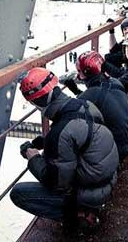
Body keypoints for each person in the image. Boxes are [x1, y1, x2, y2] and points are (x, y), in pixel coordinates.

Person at [10, 68, 119, 230]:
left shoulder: (60, 133)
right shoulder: (85, 104)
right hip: (108, 180)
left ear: (36, 103)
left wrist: (33, 158)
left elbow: (56, 183)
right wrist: (46, 142)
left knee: (18, 193)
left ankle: (78, 218)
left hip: (91, 194)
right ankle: (86, 208)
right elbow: (81, 137)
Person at [61, 51, 128, 161]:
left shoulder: (90, 95)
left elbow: (78, 106)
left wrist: (75, 91)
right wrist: (78, 91)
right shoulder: (115, 82)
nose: (78, 75)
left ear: (86, 73)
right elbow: (98, 98)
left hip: (119, 148)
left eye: (79, 72)